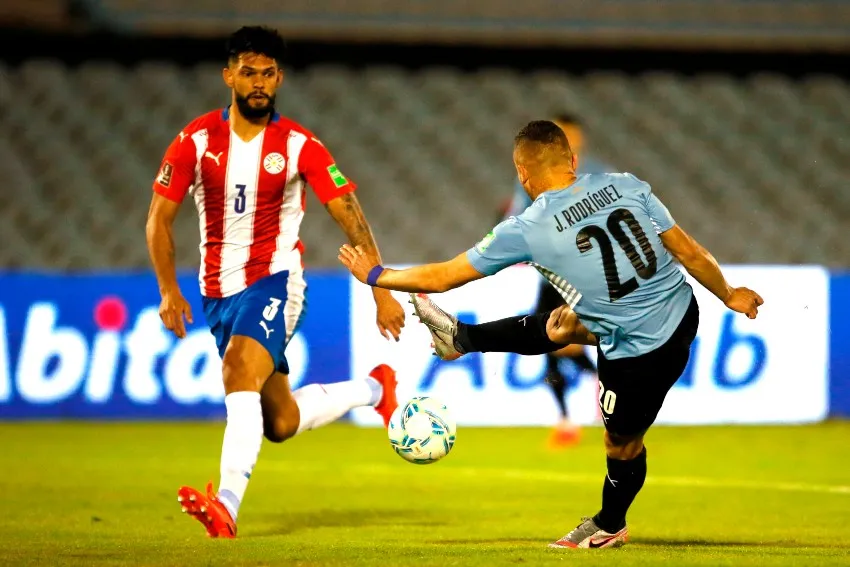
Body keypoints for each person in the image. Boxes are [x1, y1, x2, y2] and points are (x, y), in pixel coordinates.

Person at [338, 120, 763, 549]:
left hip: (640, 352)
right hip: (682, 309)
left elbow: (446, 276)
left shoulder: (528, 227)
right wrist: (728, 294)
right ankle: (461, 338)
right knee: (562, 323)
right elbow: (688, 250)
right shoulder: (627, 185)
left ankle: (609, 523)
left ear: (522, 174)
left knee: (620, 443)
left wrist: (376, 274)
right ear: (573, 162)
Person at [145, 26, 406, 538]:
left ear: (279, 79)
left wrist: (381, 290)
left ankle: (226, 505)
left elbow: (351, 218)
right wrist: (168, 290)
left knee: (238, 369)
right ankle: (376, 388)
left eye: (268, 73)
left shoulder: (300, 145)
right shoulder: (195, 141)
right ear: (229, 77)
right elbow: (158, 219)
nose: (259, 82)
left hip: (276, 282)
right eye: (248, 72)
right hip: (217, 292)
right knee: (280, 422)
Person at [500, 113, 612, 447]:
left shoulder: (598, 174)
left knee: (575, 340)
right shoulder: (535, 174)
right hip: (551, 277)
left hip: (589, 276)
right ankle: (567, 418)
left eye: (572, 137)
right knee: (547, 342)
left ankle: (607, 394)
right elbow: (517, 216)